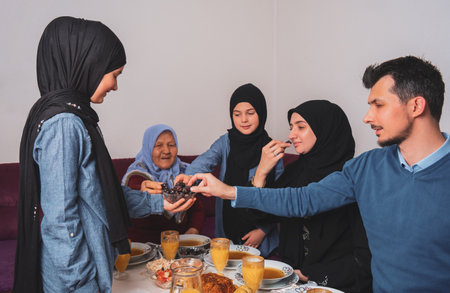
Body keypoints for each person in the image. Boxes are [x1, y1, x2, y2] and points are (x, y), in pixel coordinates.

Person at [187, 56, 450, 292]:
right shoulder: (366, 167)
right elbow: (302, 199)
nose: (367, 117)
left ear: (416, 106)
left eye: (378, 105)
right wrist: (227, 190)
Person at [14, 16, 194, 293]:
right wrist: (81, 283)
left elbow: (98, 197)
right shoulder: (64, 124)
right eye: (115, 75)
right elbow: (61, 222)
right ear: (90, 66)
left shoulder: (75, 119)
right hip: (74, 282)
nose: (115, 86)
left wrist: (161, 204)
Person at [252, 100, 372, 292]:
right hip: (289, 279)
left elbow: (364, 257)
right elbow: (262, 217)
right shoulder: (294, 171)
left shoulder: (350, 178)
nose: (291, 135)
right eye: (291, 127)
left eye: (301, 127)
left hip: (332, 284)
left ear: (325, 129)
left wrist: (311, 275)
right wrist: (261, 173)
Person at [180, 83, 284, 257]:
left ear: (261, 112)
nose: (243, 120)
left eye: (250, 113)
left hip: (260, 239)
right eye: (237, 114)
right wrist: (189, 181)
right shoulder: (225, 142)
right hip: (226, 235)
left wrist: (263, 230)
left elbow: (280, 197)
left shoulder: (272, 149)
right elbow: (199, 166)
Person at [122, 124, 205, 243]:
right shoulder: (136, 176)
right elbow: (132, 206)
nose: (166, 151)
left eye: (171, 145)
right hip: (145, 245)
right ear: (148, 148)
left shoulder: (184, 173)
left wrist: (194, 229)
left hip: (179, 244)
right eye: (158, 145)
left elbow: (197, 208)